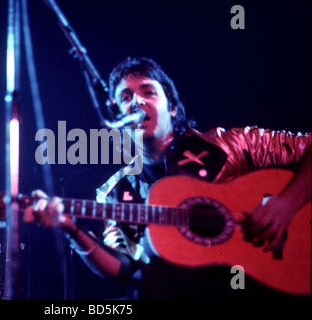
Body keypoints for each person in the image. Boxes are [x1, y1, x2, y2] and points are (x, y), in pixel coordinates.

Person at [24, 57, 311, 299]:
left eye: (148, 91)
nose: (136, 100)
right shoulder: (114, 192)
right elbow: (127, 271)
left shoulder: (232, 144)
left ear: (171, 107)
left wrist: (286, 204)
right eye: (125, 97)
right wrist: (71, 229)